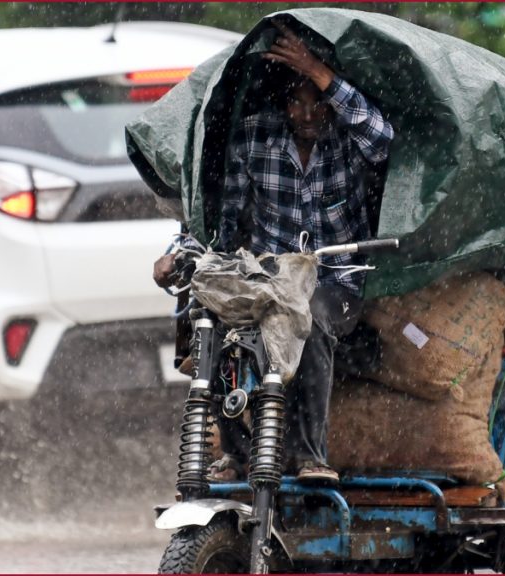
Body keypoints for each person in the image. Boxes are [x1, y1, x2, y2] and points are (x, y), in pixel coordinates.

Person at [153, 21, 394, 484]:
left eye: (316, 102)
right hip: (268, 277)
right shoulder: (255, 139)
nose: (306, 114)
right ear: (282, 105)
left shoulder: (346, 140)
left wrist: (318, 72)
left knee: (311, 319)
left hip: (334, 280)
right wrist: (179, 252)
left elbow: (381, 138)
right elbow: (223, 221)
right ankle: (240, 452)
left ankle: (310, 455)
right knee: (213, 323)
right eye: (296, 103)